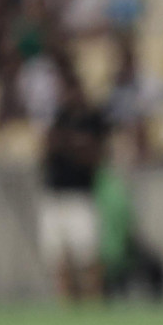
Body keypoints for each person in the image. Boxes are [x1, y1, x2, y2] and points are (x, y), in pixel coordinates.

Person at [39, 59, 109, 301]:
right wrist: (73, 144)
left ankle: (93, 300)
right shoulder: (57, 118)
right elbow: (48, 148)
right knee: (59, 258)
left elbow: (94, 156)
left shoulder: (92, 119)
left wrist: (69, 145)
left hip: (81, 195)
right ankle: (66, 304)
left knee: (87, 256)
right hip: (55, 194)